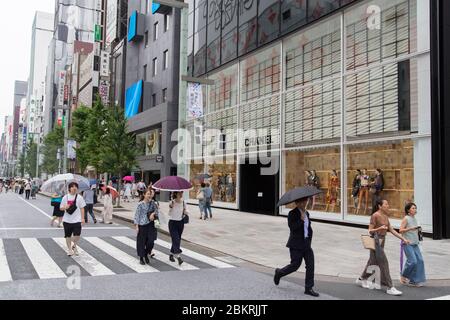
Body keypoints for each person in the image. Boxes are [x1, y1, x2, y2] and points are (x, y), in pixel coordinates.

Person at [356, 199, 411, 296]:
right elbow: (370, 230)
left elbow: (392, 230)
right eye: (385, 204)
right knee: (384, 263)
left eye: (387, 203)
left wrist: (403, 238)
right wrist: (380, 228)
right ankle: (390, 287)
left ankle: (361, 279)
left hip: (382, 240)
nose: (388, 205)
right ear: (380, 206)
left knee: (372, 262)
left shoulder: (385, 216)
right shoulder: (375, 215)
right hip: (376, 240)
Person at [274, 197, 320, 297]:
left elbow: (308, 228)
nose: (304, 203)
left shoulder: (307, 213)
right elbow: (292, 228)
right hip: (296, 244)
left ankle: (309, 288)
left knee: (311, 265)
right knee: (295, 265)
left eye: (306, 201)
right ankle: (279, 273)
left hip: (306, 243)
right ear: (297, 203)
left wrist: (309, 239)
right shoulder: (292, 214)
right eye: (302, 202)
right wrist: (301, 220)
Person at [399, 203, 426, 287]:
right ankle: (404, 275)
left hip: (415, 243)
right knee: (413, 261)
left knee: (420, 261)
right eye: (413, 208)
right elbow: (400, 230)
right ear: (408, 210)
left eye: (415, 208)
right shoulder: (406, 218)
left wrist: (419, 230)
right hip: (407, 243)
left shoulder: (415, 219)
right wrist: (410, 228)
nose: (415, 210)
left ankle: (414, 280)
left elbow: (416, 230)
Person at [59, 182, 86, 257]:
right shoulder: (65, 197)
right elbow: (60, 208)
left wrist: (83, 218)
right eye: (72, 187)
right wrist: (65, 207)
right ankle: (70, 249)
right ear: (69, 188)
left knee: (77, 235)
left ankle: (74, 245)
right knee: (67, 235)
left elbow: (82, 208)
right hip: (67, 220)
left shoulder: (79, 197)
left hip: (77, 220)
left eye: (76, 187)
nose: (74, 188)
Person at [134, 189, 159, 265]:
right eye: (148, 194)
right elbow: (137, 216)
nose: (149, 195)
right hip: (142, 225)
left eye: (150, 194)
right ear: (144, 194)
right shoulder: (140, 204)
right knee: (141, 242)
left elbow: (157, 212)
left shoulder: (153, 203)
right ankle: (142, 257)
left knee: (151, 241)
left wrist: (153, 213)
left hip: (151, 224)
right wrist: (137, 226)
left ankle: (146, 253)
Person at [168, 192, 189, 266]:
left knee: (177, 239)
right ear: (176, 194)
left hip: (180, 223)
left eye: (182, 193)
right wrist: (171, 207)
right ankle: (178, 256)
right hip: (172, 223)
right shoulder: (172, 202)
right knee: (176, 239)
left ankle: (171, 254)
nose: (181, 194)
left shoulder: (183, 202)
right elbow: (169, 214)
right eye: (179, 193)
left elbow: (187, 212)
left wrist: (185, 211)